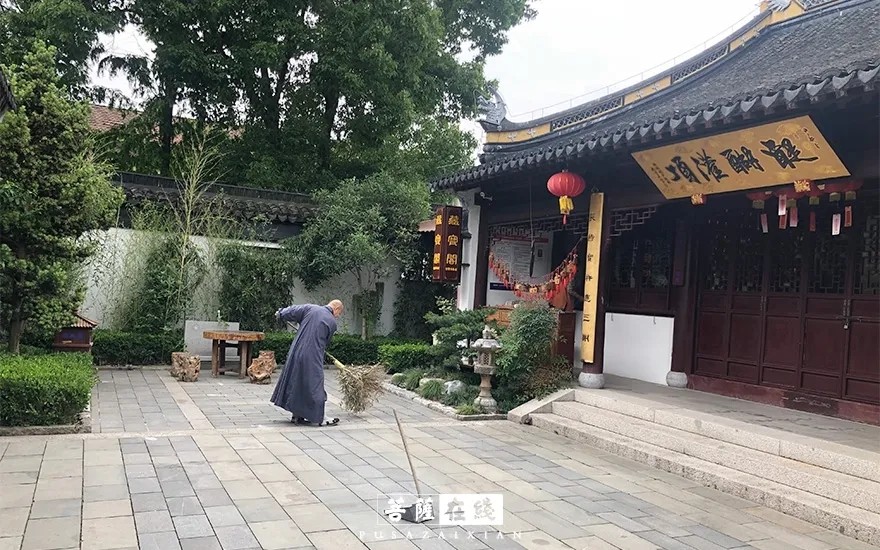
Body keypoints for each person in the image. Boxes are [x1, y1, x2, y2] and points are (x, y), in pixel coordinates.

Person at [270, 300, 344, 426]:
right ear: (336, 309)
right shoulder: (332, 322)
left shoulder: (310, 308)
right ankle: (320, 417)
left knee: (297, 381)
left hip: (296, 351)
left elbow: (292, 311)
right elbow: (325, 342)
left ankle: (297, 415)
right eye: (339, 314)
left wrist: (281, 313)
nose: (337, 316)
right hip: (313, 355)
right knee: (315, 384)